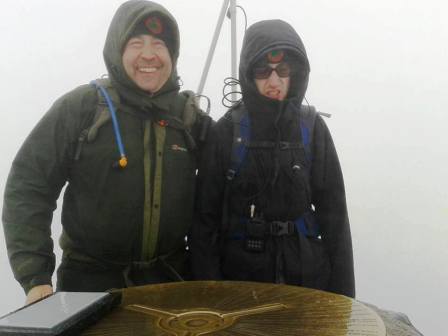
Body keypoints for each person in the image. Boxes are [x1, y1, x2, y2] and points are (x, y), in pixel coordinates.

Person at [2, 0, 209, 304]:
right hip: (88, 287)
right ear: (117, 49)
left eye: (159, 45)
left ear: (172, 55)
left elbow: (228, 187)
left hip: (169, 285)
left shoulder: (189, 117)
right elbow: (28, 186)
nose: (149, 55)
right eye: (136, 43)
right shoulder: (83, 108)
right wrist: (35, 277)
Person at [191, 19, 355, 298]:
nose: (274, 81)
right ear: (248, 74)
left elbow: (335, 221)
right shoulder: (226, 132)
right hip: (240, 287)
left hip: (308, 283)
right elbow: (203, 225)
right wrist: (211, 298)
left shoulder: (312, 129)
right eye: (262, 71)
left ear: (296, 73)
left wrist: (344, 305)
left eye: (283, 70)